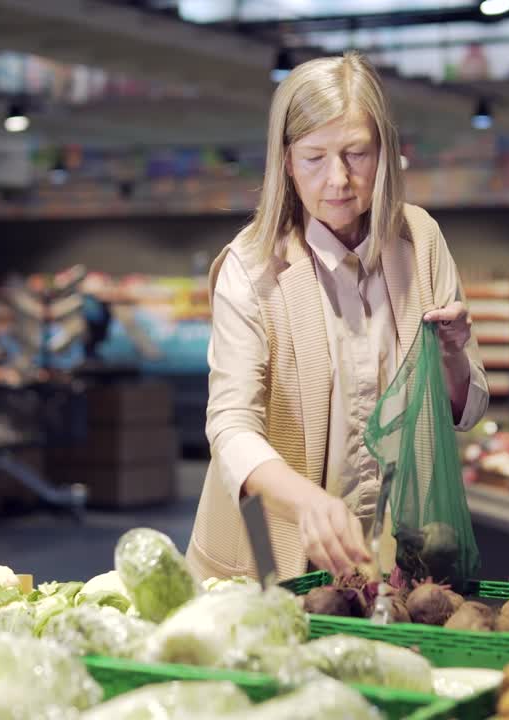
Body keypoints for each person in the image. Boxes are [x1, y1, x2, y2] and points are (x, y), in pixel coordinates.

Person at [188, 52, 489, 582]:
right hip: (265, 540)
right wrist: (308, 503)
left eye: (357, 154)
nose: (339, 179)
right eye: (314, 157)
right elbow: (231, 426)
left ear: (385, 153)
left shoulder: (420, 242)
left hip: (394, 556)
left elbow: (464, 409)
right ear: (284, 160)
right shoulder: (251, 267)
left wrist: (453, 357)